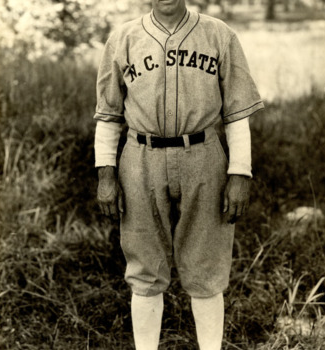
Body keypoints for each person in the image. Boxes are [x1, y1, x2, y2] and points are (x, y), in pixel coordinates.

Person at [93, 0, 264, 349]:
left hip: (203, 156)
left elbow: (237, 115)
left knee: (206, 267)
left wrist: (240, 172)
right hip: (140, 158)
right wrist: (105, 174)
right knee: (144, 270)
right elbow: (109, 115)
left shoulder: (219, 34)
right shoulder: (123, 37)